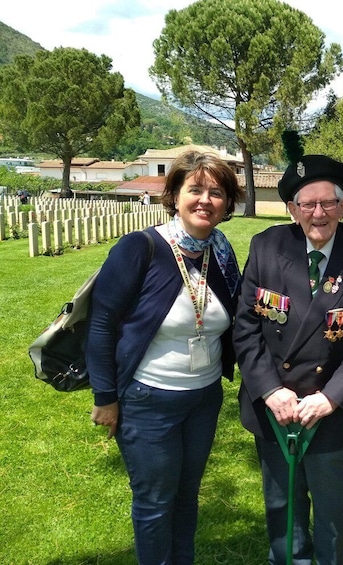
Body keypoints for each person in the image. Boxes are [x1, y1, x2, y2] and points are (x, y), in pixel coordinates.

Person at [233, 154, 343, 565]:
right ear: (292, 209)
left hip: (333, 411)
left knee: (335, 513)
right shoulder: (267, 246)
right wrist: (269, 390)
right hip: (274, 410)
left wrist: (331, 397)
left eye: (328, 203)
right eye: (308, 204)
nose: (318, 214)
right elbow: (246, 327)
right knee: (283, 507)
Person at [87, 151, 243, 564]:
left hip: (204, 398)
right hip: (147, 401)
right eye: (195, 190)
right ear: (175, 196)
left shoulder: (221, 255)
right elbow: (101, 324)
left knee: (186, 496)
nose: (205, 200)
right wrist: (105, 397)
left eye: (216, 192)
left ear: (227, 203)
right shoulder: (141, 248)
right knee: (156, 501)